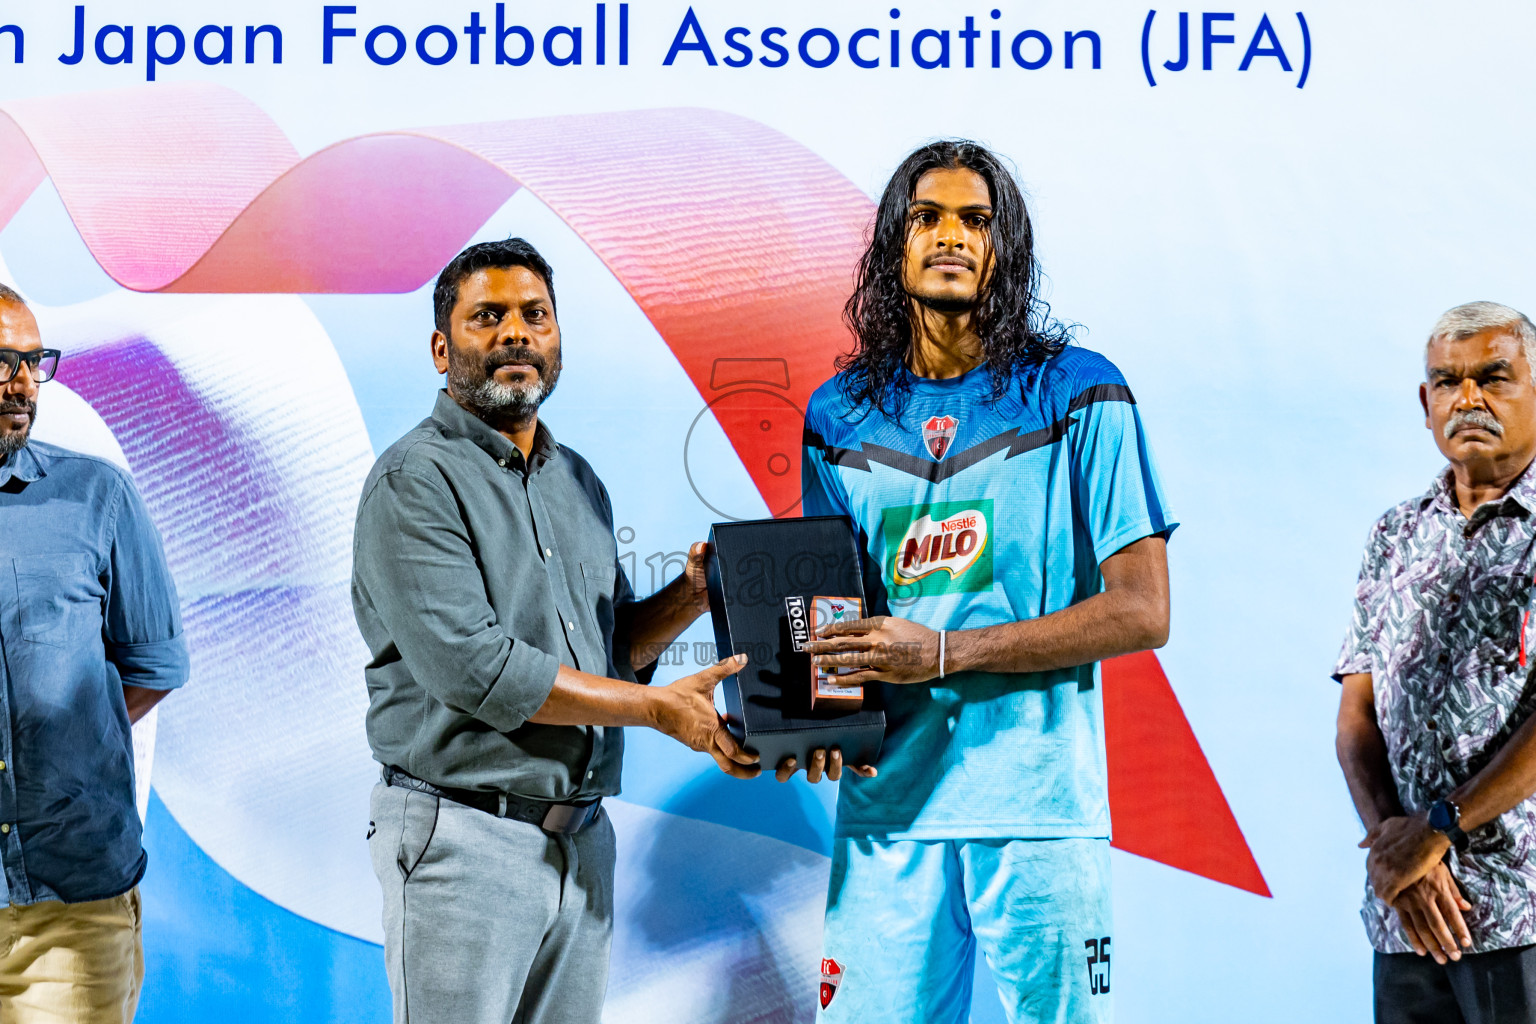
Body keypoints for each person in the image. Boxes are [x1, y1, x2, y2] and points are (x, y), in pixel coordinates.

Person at [793, 142, 1175, 1023]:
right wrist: (806, 720)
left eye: (977, 219)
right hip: (888, 805)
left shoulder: (1080, 392)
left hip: (1036, 807)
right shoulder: (836, 411)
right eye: (927, 217)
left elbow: (1143, 611)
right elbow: (827, 610)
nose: (951, 236)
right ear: (895, 244)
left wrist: (941, 650)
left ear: (1007, 248)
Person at [351, 238, 759, 1024]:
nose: (515, 334)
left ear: (558, 339)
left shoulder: (577, 480)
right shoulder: (415, 480)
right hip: (464, 837)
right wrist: (657, 712)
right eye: (488, 317)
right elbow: (479, 670)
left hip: (581, 843)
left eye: (534, 315)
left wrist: (693, 594)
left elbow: (614, 659)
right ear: (442, 348)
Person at [1336, 301, 1536, 1024]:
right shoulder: (1394, 534)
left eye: (1494, 377)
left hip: (1520, 910)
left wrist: (1438, 829)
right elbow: (1356, 715)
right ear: (1427, 404)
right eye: (1447, 381)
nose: (1469, 398)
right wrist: (1400, 853)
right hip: (1407, 915)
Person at [0, 284, 189, 1022]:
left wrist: (54, 747)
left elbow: (151, 669)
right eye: (1, 361)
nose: (20, 383)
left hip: (71, 908)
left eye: (31, 362)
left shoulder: (97, 497)